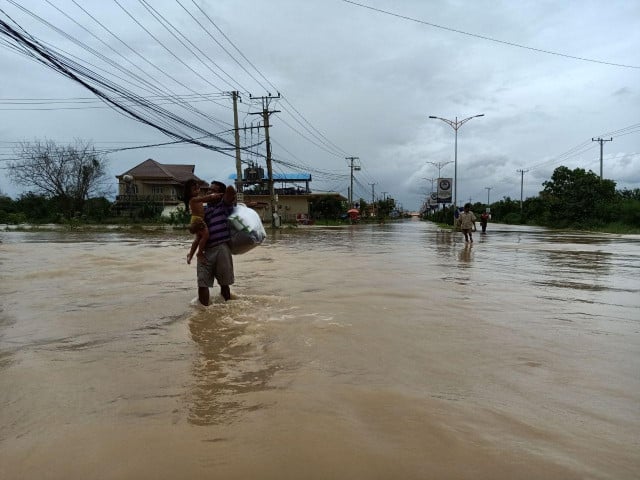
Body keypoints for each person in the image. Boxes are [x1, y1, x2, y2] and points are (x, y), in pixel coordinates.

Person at [197, 181, 237, 305]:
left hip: (221, 248)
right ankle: (204, 312)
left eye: (213, 190)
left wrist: (221, 196)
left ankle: (227, 309)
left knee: (224, 284)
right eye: (208, 190)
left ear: (220, 194)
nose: (209, 192)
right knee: (202, 283)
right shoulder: (203, 210)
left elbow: (231, 190)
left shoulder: (223, 205)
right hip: (205, 250)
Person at [183, 179, 222, 264]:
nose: (197, 191)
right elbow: (205, 198)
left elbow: (205, 199)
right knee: (206, 235)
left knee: (198, 239)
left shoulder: (197, 199)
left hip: (196, 220)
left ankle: (190, 255)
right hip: (198, 220)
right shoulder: (193, 199)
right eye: (195, 189)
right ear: (189, 193)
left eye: (198, 188)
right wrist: (213, 196)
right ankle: (199, 253)